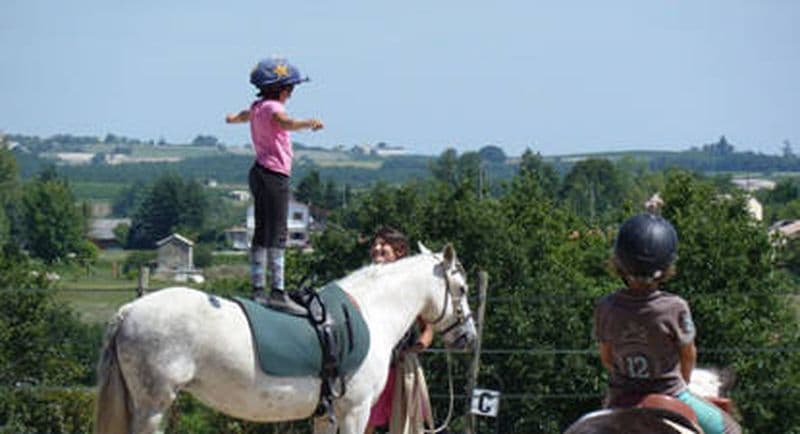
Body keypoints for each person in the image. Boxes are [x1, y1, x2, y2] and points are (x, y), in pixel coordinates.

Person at [593, 213, 741, 434]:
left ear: (619, 263)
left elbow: (606, 357)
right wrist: (684, 383)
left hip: (621, 394)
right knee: (731, 430)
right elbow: (688, 355)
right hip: (670, 391)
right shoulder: (675, 307)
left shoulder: (605, 306)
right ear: (666, 266)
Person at [226, 57, 323, 315]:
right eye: (290, 89)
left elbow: (245, 116)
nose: (290, 94)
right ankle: (278, 292)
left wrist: (233, 118)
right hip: (274, 175)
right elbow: (285, 122)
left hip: (258, 173)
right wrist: (307, 123)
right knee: (278, 233)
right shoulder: (273, 108)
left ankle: (258, 288)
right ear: (283, 90)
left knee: (261, 231)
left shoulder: (258, 106)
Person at [366, 227, 434, 434]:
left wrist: (417, 348)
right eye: (375, 244)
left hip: (401, 369)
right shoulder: (365, 284)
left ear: (400, 252)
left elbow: (428, 328)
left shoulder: (410, 290)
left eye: (383, 244)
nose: (377, 248)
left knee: (405, 424)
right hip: (373, 370)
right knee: (364, 423)